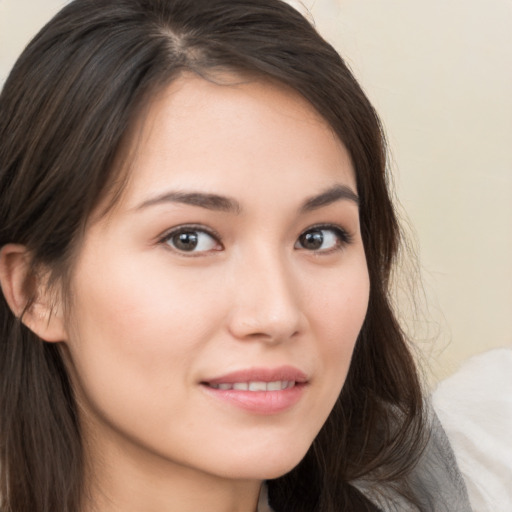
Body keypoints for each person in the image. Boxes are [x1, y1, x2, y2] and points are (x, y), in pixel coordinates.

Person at [0, 1, 472, 511]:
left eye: (318, 237)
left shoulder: (432, 488)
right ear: (36, 290)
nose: (276, 314)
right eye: (190, 239)